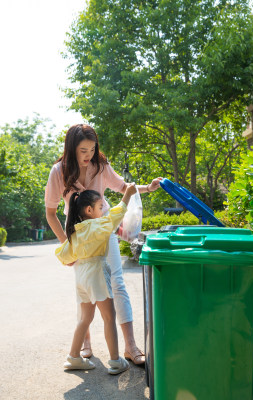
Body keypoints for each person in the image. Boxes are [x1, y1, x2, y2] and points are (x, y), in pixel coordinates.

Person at [45, 124, 162, 365]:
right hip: (78, 235)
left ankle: (130, 345)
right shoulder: (58, 171)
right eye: (83, 150)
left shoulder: (100, 165)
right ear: (71, 149)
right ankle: (85, 343)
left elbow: (123, 188)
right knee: (84, 287)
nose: (88, 155)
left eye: (92, 149)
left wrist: (147, 188)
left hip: (104, 228)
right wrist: (67, 245)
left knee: (116, 281)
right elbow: (50, 212)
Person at [56, 184, 137, 373]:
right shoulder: (97, 225)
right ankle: (116, 361)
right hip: (96, 272)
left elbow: (64, 254)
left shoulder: (76, 230)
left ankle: (73, 357)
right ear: (89, 210)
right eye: (101, 207)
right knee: (109, 317)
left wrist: (70, 260)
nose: (103, 211)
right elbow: (115, 217)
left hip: (81, 275)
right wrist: (127, 195)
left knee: (85, 318)